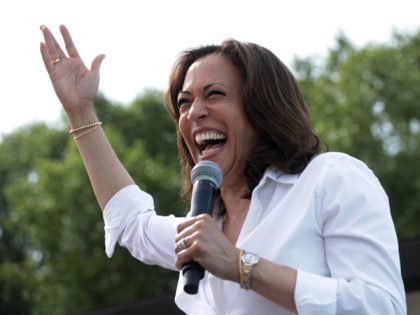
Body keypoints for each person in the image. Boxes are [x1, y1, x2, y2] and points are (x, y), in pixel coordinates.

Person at [40, 24, 406, 315]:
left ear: (263, 109)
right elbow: (132, 223)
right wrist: (80, 113)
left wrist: (240, 265)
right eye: (184, 102)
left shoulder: (330, 178)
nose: (194, 112)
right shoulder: (204, 225)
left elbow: (381, 306)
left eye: (213, 94)